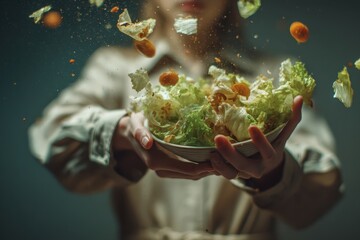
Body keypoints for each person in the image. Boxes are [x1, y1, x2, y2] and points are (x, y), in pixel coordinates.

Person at [28, 0, 343, 239]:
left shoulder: (274, 75)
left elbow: (320, 195)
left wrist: (275, 173)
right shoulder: (112, 67)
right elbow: (52, 139)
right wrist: (122, 133)